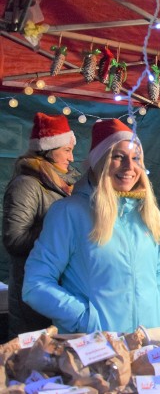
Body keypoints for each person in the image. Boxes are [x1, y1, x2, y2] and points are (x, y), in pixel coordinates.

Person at [22, 119, 160, 333]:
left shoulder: (148, 212)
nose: (130, 167)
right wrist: (86, 320)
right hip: (96, 350)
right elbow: (36, 285)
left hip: (148, 342)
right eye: (118, 157)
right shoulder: (69, 212)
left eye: (136, 158)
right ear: (98, 161)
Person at [2, 113, 80, 338]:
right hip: (33, 296)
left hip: (63, 290)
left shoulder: (68, 183)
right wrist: (59, 227)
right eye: (66, 150)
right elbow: (14, 241)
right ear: (47, 149)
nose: (72, 158)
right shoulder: (26, 185)